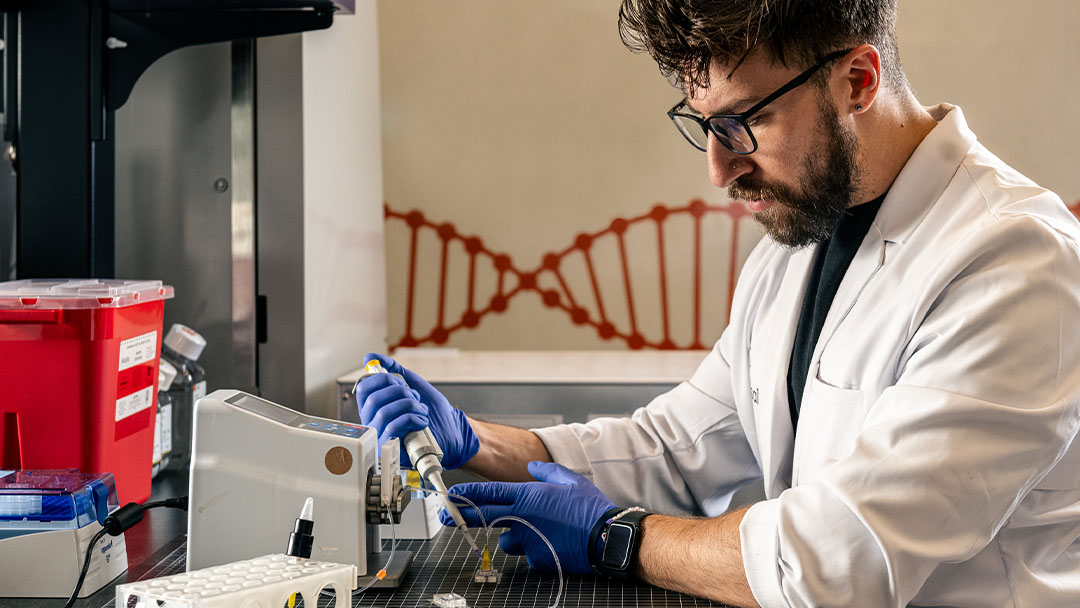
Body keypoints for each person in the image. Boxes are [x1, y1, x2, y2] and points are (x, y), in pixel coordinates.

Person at [357, 1, 1080, 606]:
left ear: (857, 80)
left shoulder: (1012, 260)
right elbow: (682, 446)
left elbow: (840, 558)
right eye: (703, 123)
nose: (717, 168)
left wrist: (620, 537)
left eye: (744, 124)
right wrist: (480, 443)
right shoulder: (796, 244)